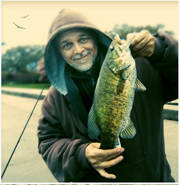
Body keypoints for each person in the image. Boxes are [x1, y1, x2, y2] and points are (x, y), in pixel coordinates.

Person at [37, 9, 178, 182]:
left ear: (96, 38)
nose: (79, 50)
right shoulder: (53, 99)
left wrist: (161, 49)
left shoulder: (143, 65)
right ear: (59, 53)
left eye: (83, 39)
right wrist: (82, 154)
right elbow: (48, 143)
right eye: (67, 45)